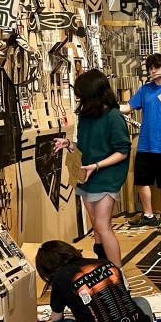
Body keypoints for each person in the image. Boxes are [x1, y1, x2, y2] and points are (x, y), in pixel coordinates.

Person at [36, 240, 158, 322]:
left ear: (47, 270)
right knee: (140, 301)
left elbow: (57, 318)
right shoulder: (106, 263)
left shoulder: (60, 279)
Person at [54, 69, 131, 270]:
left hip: (106, 177)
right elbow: (85, 146)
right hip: (86, 176)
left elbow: (123, 151)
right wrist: (68, 144)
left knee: (103, 226)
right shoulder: (86, 116)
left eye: (82, 94)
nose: (79, 98)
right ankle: (104, 266)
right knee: (96, 225)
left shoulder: (113, 116)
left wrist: (97, 166)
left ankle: (118, 274)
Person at [120, 53, 161, 228]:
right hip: (145, 144)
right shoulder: (145, 89)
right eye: (151, 68)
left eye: (157, 68)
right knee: (141, 180)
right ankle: (148, 214)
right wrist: (107, 105)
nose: (153, 71)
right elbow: (128, 108)